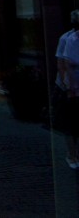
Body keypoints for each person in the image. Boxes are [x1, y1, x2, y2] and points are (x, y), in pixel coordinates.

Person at [57, 10, 79, 168]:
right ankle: (72, 154)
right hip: (71, 87)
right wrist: (68, 87)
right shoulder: (68, 39)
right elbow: (63, 64)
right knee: (71, 122)